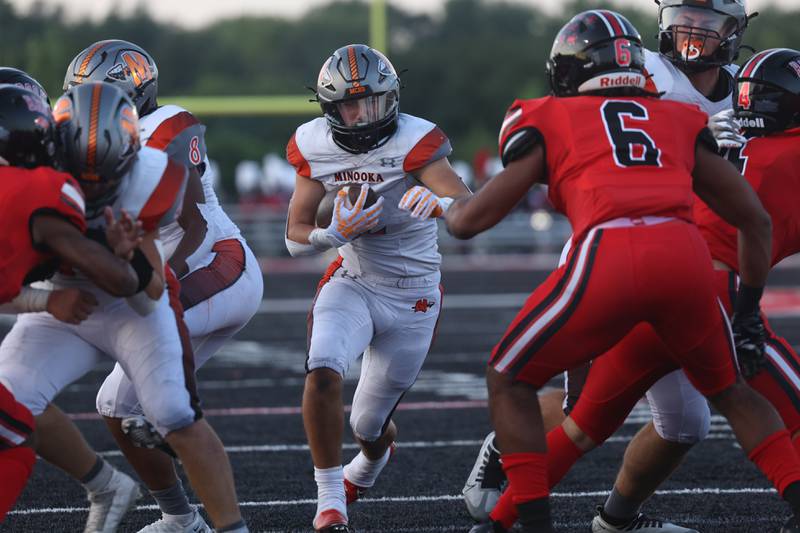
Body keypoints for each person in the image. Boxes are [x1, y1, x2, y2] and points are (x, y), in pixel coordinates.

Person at [444, 10, 800, 533]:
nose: (694, 31)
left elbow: (474, 216)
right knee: (615, 405)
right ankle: (508, 457)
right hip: (676, 260)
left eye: (707, 19)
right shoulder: (670, 104)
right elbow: (754, 218)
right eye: (686, 15)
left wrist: (448, 205)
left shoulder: (558, 112)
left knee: (674, 423)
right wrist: (746, 312)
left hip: (622, 255)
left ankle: (580, 520)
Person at [0, 82, 249, 533]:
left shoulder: (151, 175)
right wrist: (46, 299)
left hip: (131, 307)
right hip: (62, 301)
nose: (91, 190)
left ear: (131, 157)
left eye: (105, 178)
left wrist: (127, 253)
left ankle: (232, 528)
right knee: (8, 401)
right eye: (80, 176)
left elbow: (148, 293)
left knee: (174, 413)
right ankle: (105, 484)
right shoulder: (29, 181)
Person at [284, 43, 471, 532]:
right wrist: (332, 234)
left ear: (393, 98)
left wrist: (441, 205)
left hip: (414, 294)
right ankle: (330, 501)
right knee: (323, 369)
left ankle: (368, 463)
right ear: (330, 109)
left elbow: (468, 208)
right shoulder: (313, 144)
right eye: (352, 106)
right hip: (354, 279)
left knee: (367, 426)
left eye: (374, 103)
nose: (364, 116)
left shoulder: (414, 140)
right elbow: (294, 237)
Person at [0, 82, 143, 522]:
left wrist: (46, 302)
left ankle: (106, 486)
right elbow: (121, 280)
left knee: (16, 419)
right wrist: (125, 258)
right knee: (16, 437)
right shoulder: (42, 189)